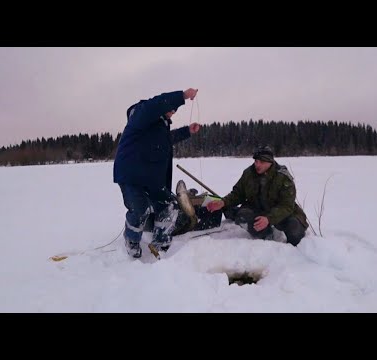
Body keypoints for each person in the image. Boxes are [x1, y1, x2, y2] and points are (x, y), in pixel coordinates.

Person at [113, 88, 201, 258]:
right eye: (171, 109)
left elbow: (167, 139)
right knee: (140, 209)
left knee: (169, 205)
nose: (172, 112)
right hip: (131, 174)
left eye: (174, 110)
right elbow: (154, 105)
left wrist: (188, 131)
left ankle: (160, 243)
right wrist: (182, 96)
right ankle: (131, 241)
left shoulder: (158, 127)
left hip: (150, 177)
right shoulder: (140, 114)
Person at [206, 145, 309, 246]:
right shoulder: (248, 173)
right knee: (243, 216)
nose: (257, 165)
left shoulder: (283, 177)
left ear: (270, 162)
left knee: (295, 232)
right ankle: (267, 235)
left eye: (262, 162)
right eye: (256, 161)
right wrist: (223, 202)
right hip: (258, 210)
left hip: (280, 213)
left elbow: (287, 206)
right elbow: (238, 193)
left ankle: (292, 253)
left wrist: (269, 218)